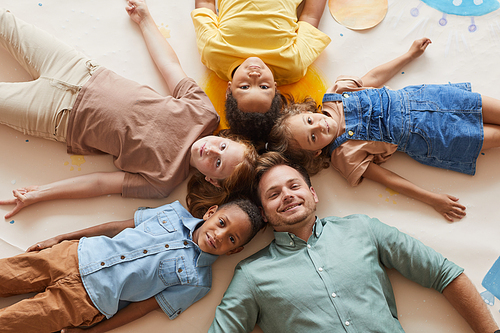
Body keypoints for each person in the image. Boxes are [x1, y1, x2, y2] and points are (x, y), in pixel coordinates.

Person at [0, 0, 257, 219]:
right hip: (80, 70)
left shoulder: (162, 181)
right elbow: (169, 65)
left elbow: (99, 183)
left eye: (218, 162)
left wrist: (38, 194)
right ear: (227, 138)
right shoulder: (204, 113)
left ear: (212, 179)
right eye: (222, 147)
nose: (211, 150)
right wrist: (145, 20)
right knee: (6, 22)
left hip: (58, 117)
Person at [208, 152, 499, 333]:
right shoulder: (251, 275)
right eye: (273, 194)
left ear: (313, 194)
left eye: (294, 186)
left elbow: (443, 273)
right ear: (264, 214)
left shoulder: (363, 228)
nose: (287, 195)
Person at [267, 37, 500, 221]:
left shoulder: (337, 94)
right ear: (316, 152)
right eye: (313, 137)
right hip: (433, 136)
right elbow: (389, 179)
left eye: (310, 121)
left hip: (431, 98)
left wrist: (409, 55)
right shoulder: (344, 156)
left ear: (304, 112)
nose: (319, 125)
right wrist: (433, 199)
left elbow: (374, 77)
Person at [0, 198, 264, 333]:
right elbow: (117, 227)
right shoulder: (172, 212)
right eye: (221, 223)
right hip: (73, 255)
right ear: (211, 213)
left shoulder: (198, 282)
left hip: (88, 301)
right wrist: (60, 237)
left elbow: (143, 308)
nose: (219, 235)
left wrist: (96, 332)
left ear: (235, 250)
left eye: (231, 238)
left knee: (11, 324)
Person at [191, 0, 331, 143]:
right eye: (264, 87)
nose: (254, 76)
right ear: (276, 89)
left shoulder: (214, 54)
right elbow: (310, 17)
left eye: (244, 86)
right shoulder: (293, 65)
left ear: (229, 90)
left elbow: (206, 4)